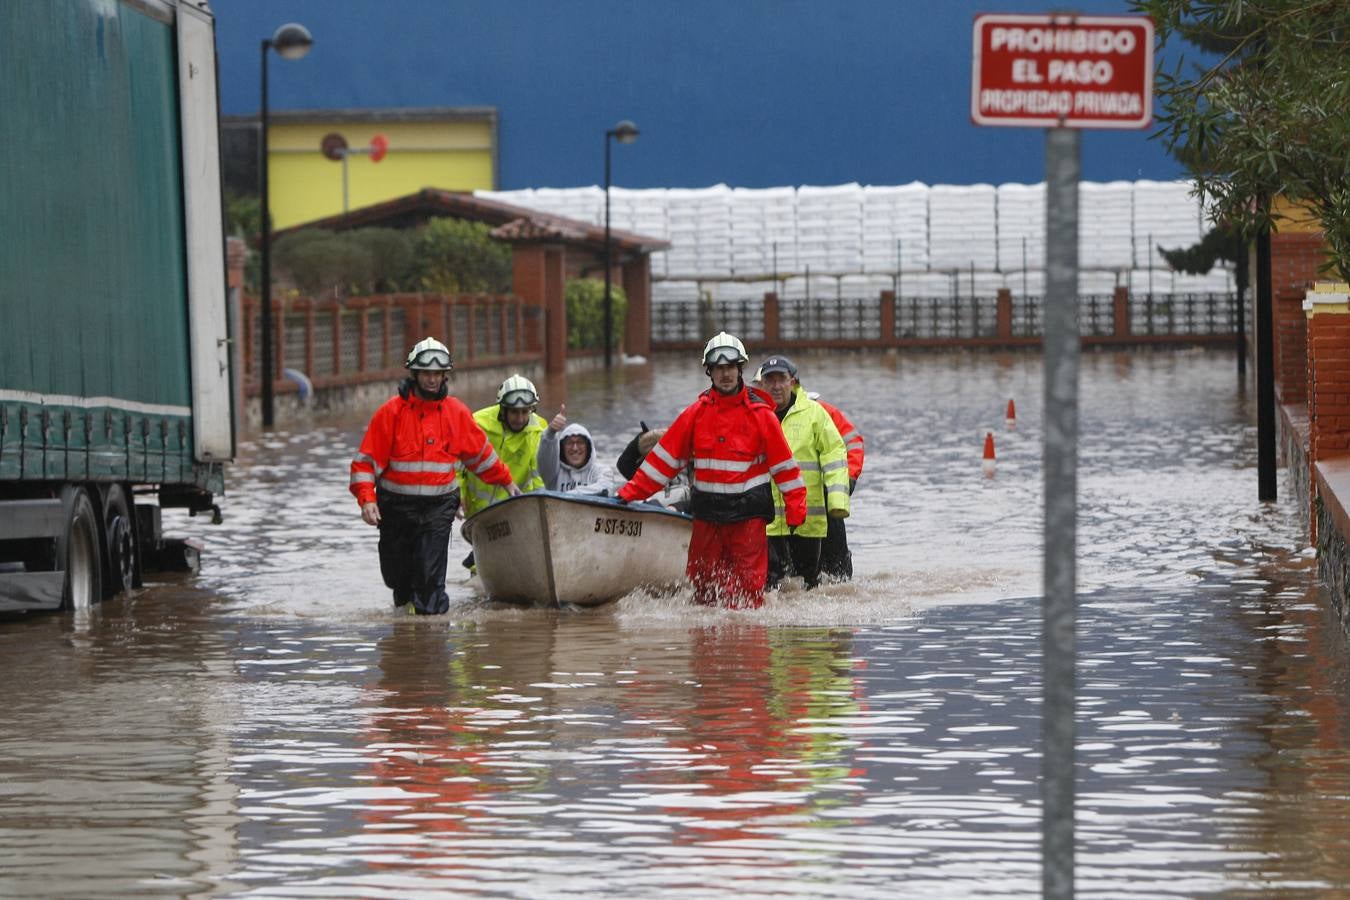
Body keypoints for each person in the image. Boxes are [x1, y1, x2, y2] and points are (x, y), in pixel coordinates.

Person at [616, 332, 806, 609]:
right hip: (708, 520)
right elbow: (663, 462)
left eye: (730, 368)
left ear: (740, 369)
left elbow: (785, 468)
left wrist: (796, 507)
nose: (725, 374)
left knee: (749, 596)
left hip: (747, 520)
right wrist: (629, 493)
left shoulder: (761, 415)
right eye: (719, 368)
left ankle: (746, 648)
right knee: (704, 591)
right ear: (710, 372)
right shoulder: (695, 415)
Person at [350, 337, 520, 615]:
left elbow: (481, 455)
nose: (432, 379)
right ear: (415, 374)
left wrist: (506, 481)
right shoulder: (391, 413)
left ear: (445, 376)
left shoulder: (456, 413)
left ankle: (430, 644)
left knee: (430, 582)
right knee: (397, 579)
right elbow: (365, 463)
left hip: (438, 507)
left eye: (437, 374)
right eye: (426, 373)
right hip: (394, 507)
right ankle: (406, 635)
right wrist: (367, 500)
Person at [756, 355, 850, 591]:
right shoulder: (754, 415)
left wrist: (838, 502)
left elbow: (835, 455)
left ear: (793, 382)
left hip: (807, 519)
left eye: (782, 379)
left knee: (807, 587)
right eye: (770, 380)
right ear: (762, 384)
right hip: (767, 520)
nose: (776, 386)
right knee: (771, 587)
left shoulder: (814, 414)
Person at [458, 373, 549, 569]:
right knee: (483, 565)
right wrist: (459, 493)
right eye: (515, 412)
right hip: (480, 509)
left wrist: (544, 505)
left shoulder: (540, 429)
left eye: (525, 412)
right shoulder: (478, 424)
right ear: (503, 409)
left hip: (516, 507)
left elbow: (540, 473)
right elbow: (458, 462)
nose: (520, 418)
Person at [809, 392, 864, 580]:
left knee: (838, 574)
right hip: (784, 509)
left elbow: (853, 442)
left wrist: (847, 481)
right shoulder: (760, 412)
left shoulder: (818, 408)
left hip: (826, 498)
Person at [538, 403, 613, 495]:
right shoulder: (553, 473)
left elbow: (606, 489)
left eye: (580, 442)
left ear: (588, 447)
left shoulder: (602, 470)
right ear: (562, 448)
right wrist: (550, 433)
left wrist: (570, 495)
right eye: (570, 443)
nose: (575, 448)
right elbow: (545, 458)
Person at [616, 421, 691, 511]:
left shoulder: (698, 464)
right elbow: (623, 464)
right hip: (650, 503)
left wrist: (677, 507)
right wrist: (639, 441)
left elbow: (702, 499)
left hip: (680, 508)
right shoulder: (651, 462)